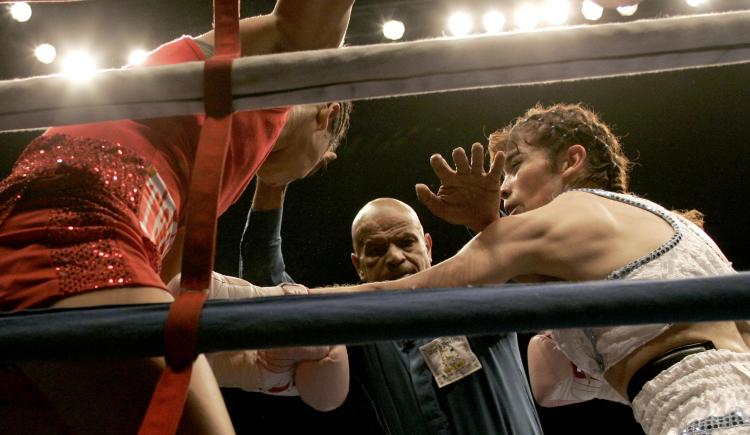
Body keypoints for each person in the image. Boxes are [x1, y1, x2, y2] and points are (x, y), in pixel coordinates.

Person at [0, 1, 355, 433]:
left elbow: (167, 293)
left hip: (58, 233)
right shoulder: (268, 71)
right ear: (327, 114)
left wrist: (248, 364)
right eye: (318, 166)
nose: (300, 175)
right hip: (74, 229)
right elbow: (302, 22)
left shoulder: (208, 166)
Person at [322, 102, 750, 435]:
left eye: (516, 165)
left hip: (711, 414)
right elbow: (548, 382)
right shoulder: (647, 225)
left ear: (570, 162)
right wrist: (489, 226)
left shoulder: (572, 209)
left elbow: (423, 293)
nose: (504, 184)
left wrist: (278, 302)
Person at [241, 172, 544, 434]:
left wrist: (487, 222)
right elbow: (272, 291)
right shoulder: (360, 334)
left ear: (428, 246)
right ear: (358, 266)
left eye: (406, 242)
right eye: (377, 248)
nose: (396, 257)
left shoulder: (475, 295)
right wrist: (272, 185)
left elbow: (527, 267)